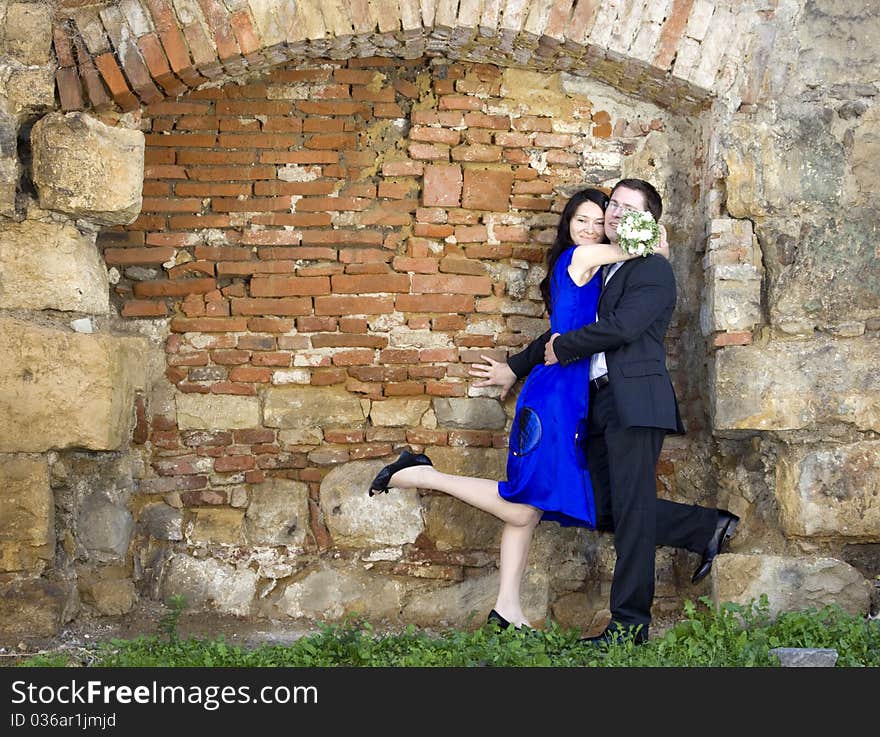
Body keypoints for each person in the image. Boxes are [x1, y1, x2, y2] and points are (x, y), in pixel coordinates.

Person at [368, 188, 645, 630]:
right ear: (567, 226)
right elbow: (639, 246)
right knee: (520, 505)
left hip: (565, 394)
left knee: (528, 509)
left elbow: (560, 333)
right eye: (582, 221)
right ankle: (419, 474)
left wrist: (515, 366)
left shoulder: (592, 265)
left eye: (598, 222)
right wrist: (657, 240)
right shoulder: (582, 259)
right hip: (553, 399)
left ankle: (507, 609)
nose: (591, 229)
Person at [503, 178, 739, 645]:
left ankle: (629, 626)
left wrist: (564, 348)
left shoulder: (653, 269)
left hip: (635, 401)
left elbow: (624, 327)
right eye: (612, 204)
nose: (614, 213)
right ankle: (705, 526)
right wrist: (519, 363)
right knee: (599, 506)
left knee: (630, 513)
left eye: (628, 208)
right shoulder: (603, 270)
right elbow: (564, 327)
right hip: (597, 404)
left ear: (648, 223)